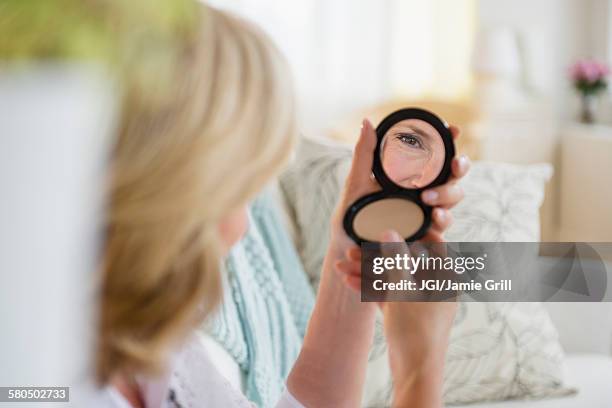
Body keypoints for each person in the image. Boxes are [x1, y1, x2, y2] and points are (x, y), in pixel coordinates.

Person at [98, 4, 470, 407]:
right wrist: (421, 367)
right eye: (243, 189)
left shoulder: (153, 346)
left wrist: (357, 242)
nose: (243, 225)